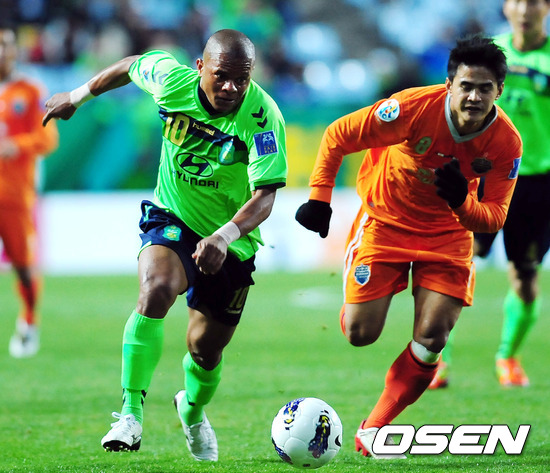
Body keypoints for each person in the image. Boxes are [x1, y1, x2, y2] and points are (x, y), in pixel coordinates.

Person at [42, 29, 287, 461]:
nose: (231, 87)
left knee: (205, 350)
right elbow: (129, 65)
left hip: (230, 238)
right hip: (173, 215)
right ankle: (130, 414)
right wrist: (77, 97)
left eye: (242, 79)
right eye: (222, 76)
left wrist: (224, 236)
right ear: (200, 67)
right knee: (155, 289)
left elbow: (265, 195)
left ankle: (191, 411)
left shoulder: (263, 117)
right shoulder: (171, 80)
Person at [296, 35, 522, 460]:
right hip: (386, 222)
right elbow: (339, 134)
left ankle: (374, 429)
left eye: (485, 88)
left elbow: (494, 216)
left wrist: (461, 202)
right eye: (466, 86)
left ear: (499, 90)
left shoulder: (506, 142)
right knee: (360, 334)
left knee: (433, 337)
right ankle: (359, 301)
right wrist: (320, 198)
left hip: (447, 236)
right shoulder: (412, 108)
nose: (474, 97)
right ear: (449, 85)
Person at [430, 0, 550, 390]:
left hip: (536, 183)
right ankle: (436, 359)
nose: (525, 10)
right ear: (506, 7)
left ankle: (507, 356)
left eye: (534, 2)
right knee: (456, 261)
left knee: (525, 279)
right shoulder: (489, 56)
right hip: (481, 174)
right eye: (518, 1)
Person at [0, 27, 59, 358]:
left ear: (14, 51)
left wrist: (16, 145)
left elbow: (48, 138)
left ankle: (29, 322)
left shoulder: (30, 90)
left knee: (23, 267)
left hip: (14, 195)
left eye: (5, 46)